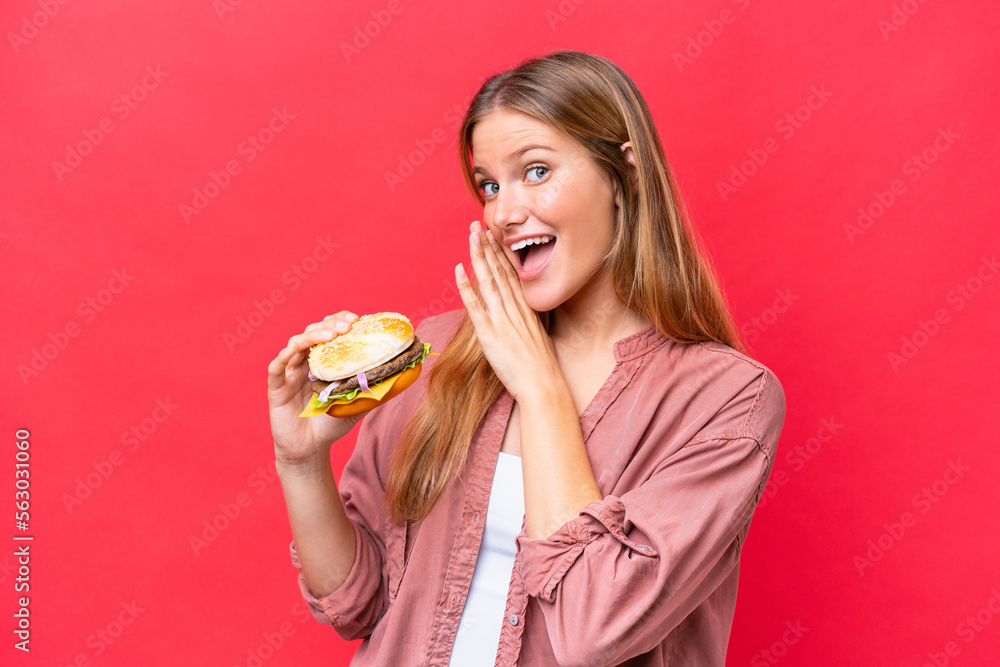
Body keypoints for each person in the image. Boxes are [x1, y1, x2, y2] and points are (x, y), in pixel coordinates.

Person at [267, 50, 786, 666]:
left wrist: (541, 390)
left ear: (627, 175)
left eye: (535, 171)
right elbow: (359, 605)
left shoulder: (725, 400)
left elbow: (595, 630)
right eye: (488, 184)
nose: (504, 213)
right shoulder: (434, 356)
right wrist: (300, 463)